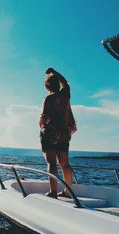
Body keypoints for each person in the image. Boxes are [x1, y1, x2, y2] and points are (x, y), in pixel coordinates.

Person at [39, 67, 77, 199]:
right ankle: (68, 192)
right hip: (64, 133)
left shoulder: (48, 99)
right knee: (65, 164)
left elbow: (44, 118)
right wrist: (54, 71)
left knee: (51, 162)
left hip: (50, 133)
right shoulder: (66, 95)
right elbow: (65, 82)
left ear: (48, 86)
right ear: (58, 84)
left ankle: (53, 192)